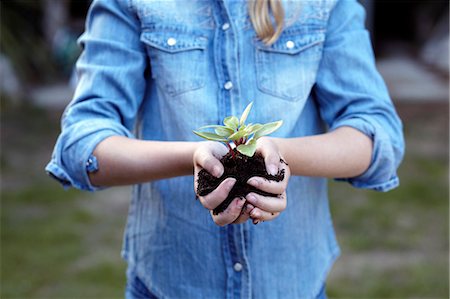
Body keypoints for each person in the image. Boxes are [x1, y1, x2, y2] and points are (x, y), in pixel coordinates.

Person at [46, 0, 404, 298]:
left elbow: (376, 136)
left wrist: (277, 156)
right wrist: (192, 158)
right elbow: (83, 145)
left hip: (292, 281)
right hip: (168, 281)